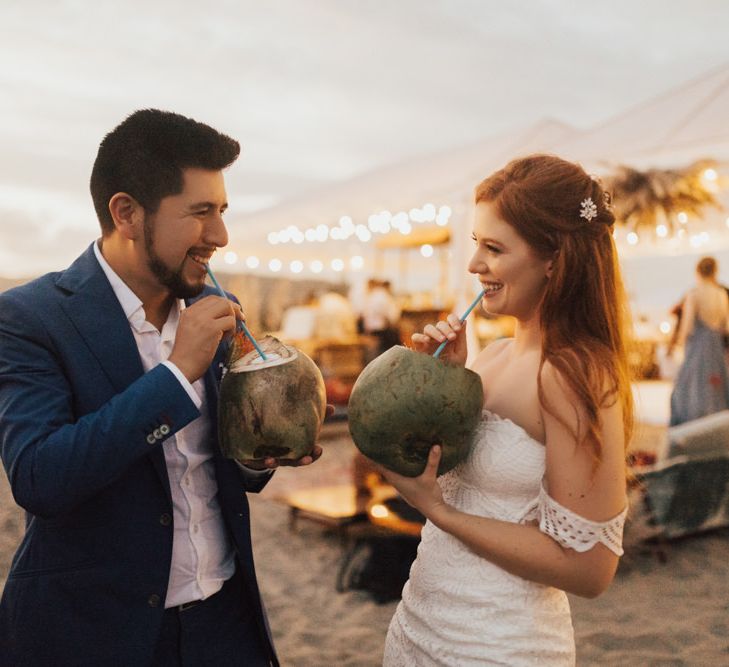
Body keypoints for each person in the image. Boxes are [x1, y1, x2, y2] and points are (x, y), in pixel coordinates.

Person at [0, 109, 325, 667]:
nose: (220, 236)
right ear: (126, 213)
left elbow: (214, 464)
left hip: (224, 621)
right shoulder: (29, 318)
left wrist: (262, 451)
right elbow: (40, 477)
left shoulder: (214, 314)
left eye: (222, 212)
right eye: (200, 213)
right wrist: (175, 374)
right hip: (99, 633)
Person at [378, 155, 634, 666]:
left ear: (553, 259)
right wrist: (442, 385)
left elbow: (590, 570)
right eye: (476, 243)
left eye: (494, 249)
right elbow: (454, 473)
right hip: (419, 627)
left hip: (496, 647)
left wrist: (438, 511)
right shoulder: (489, 358)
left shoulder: (572, 376)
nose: (474, 265)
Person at [668, 256, 729, 426]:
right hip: (716, 346)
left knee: (689, 384)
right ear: (715, 272)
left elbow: (687, 327)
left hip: (698, 346)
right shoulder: (722, 294)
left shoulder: (694, 294)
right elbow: (726, 327)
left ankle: (693, 422)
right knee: (716, 383)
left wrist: (679, 344)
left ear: (698, 271)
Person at [361, 278, 401, 356]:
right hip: (383, 331)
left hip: (371, 331)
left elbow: (363, 314)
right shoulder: (384, 296)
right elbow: (392, 316)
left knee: (375, 355)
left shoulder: (371, 296)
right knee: (389, 354)